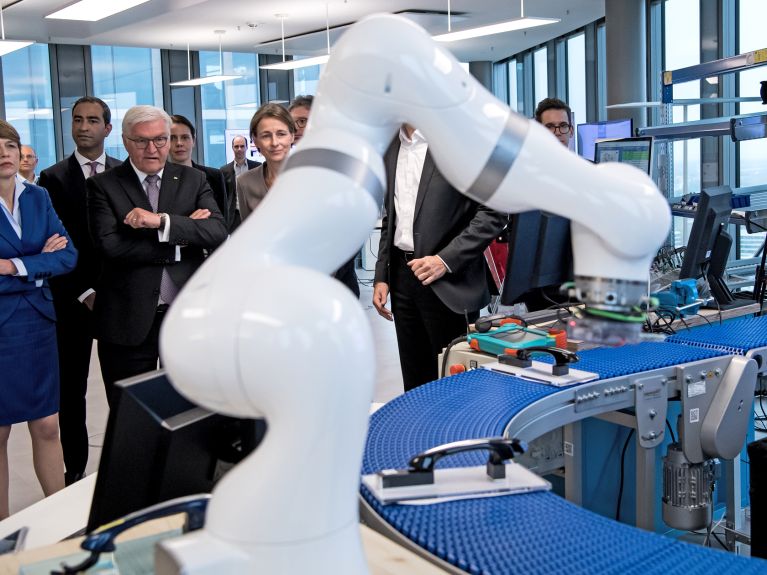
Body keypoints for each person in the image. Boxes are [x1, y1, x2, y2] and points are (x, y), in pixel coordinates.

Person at [87, 105, 228, 403]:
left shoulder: (193, 179)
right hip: (127, 321)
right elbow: (111, 246)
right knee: (131, 419)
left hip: (185, 317)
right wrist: (181, 238)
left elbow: (216, 231)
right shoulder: (103, 185)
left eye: (160, 139)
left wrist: (160, 222)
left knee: (189, 412)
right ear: (125, 141)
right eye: (141, 141)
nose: (152, 149)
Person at [373, 124, 507, 392]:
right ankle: (421, 434)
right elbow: (393, 216)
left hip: (449, 279)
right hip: (402, 276)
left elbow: (494, 212)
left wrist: (444, 261)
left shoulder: (460, 142)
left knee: (454, 385)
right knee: (415, 381)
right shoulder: (389, 146)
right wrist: (382, 275)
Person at [37, 96, 121, 486]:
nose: (83, 126)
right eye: (77, 120)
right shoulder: (52, 180)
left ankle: (124, 466)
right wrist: (85, 290)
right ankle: (74, 472)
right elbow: (55, 244)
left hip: (121, 299)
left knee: (120, 389)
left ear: (107, 128)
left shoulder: (124, 172)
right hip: (72, 302)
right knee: (72, 395)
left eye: (92, 120)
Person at [0, 119, 77, 518]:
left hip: (37, 323)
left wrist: (12, 266)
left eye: (10, 145)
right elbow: (48, 259)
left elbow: (67, 257)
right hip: (1, 329)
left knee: (48, 425)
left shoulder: (38, 196)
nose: (4, 154)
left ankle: (60, 521)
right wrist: (37, 262)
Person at [288, 95, 359, 297]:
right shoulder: (286, 168)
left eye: (303, 121)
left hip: (337, 281)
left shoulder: (341, 164)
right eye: (292, 123)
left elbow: (353, 227)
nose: (297, 128)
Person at [236, 103, 295, 221]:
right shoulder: (245, 182)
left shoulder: (312, 176)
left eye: (281, 134)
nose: (274, 142)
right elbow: (249, 232)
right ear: (255, 140)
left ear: (292, 136)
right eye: (266, 136)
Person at [169, 114, 229, 227]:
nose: (179, 143)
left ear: (194, 141)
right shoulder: (158, 179)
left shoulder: (214, 176)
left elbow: (222, 221)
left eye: (185, 137)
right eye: (172, 138)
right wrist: (188, 224)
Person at [220, 135, 260, 231]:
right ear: (232, 148)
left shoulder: (257, 167)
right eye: (236, 146)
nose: (239, 149)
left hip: (253, 214)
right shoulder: (224, 170)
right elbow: (222, 196)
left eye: (242, 146)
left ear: (246, 147)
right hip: (234, 217)